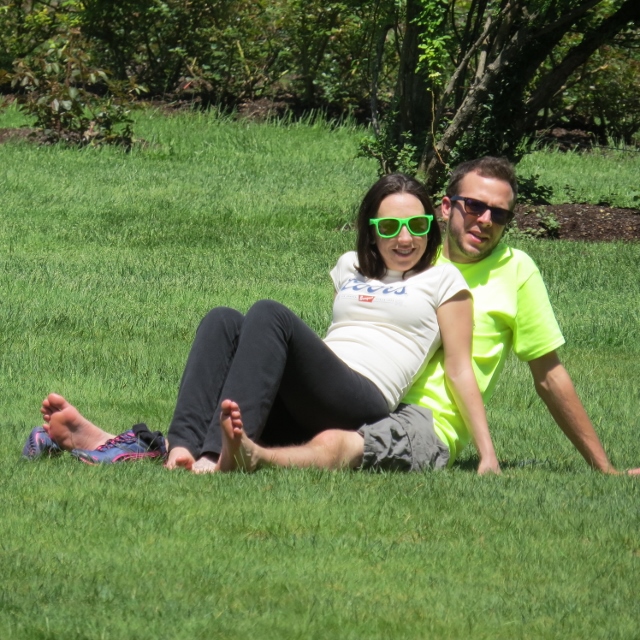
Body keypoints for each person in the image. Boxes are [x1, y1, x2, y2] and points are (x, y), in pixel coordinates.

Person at [184, 156, 640, 476]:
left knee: (277, 329)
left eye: (499, 214)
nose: (484, 220)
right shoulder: (395, 257)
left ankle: (239, 457)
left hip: (416, 415)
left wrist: (600, 467)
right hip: (342, 385)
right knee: (226, 320)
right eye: (474, 206)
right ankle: (183, 449)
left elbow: (543, 375)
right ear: (446, 207)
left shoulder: (506, 273)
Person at [27, 172, 499, 474]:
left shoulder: (444, 279)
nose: (404, 238)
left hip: (364, 399)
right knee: (224, 320)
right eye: (389, 227)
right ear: (371, 232)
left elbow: (460, 368)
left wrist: (487, 455)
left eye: (417, 228)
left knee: (269, 313)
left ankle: (217, 456)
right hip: (321, 388)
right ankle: (182, 448)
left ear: (429, 230)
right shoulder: (348, 267)